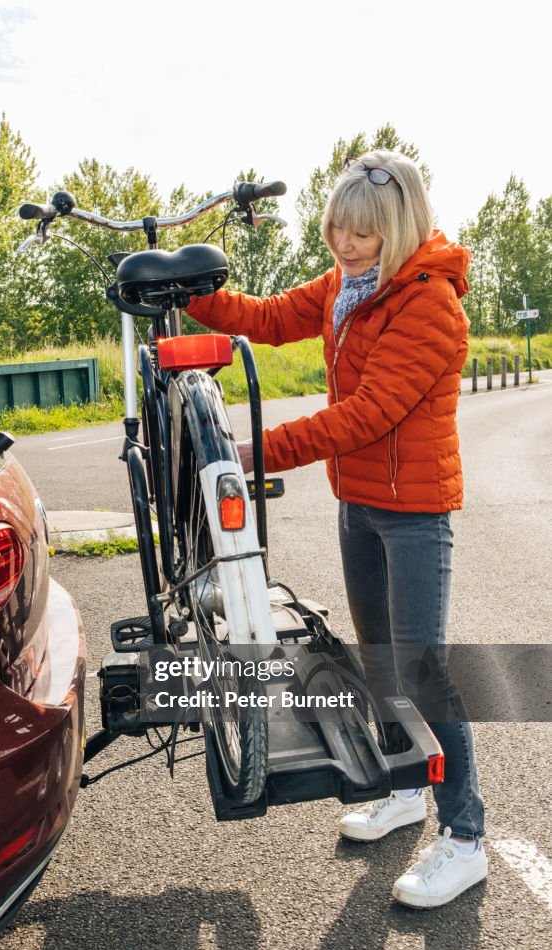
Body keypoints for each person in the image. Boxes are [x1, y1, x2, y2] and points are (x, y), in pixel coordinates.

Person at [185, 150, 487, 908]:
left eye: (362, 234)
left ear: (398, 226)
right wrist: (199, 297)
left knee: (423, 670)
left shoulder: (429, 304)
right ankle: (404, 790)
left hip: (416, 515)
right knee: (380, 664)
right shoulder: (350, 288)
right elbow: (270, 318)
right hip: (358, 502)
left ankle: (465, 835)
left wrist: (258, 451)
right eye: (335, 231)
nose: (344, 247)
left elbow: (367, 414)